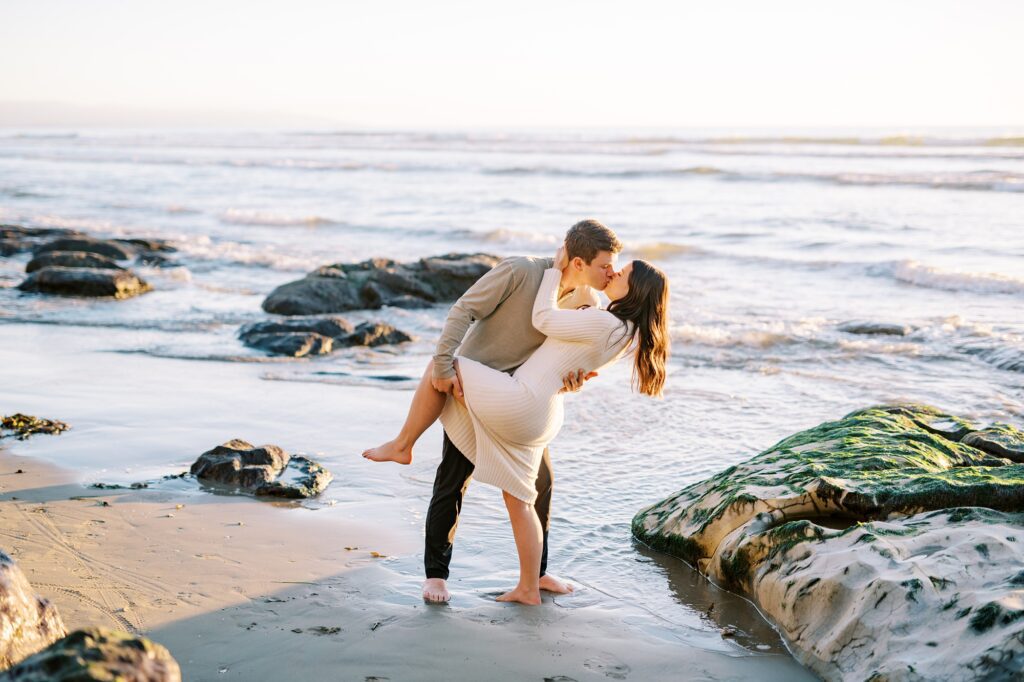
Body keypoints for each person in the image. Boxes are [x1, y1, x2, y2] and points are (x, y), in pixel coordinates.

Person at [363, 219, 625, 603]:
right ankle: (436, 575)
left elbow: (568, 360)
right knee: (453, 478)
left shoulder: (589, 303)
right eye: (605, 265)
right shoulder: (521, 271)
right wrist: (442, 365)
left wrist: (575, 380)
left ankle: (537, 574)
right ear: (579, 262)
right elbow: (464, 309)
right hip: (472, 385)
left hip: (520, 400)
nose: (612, 273)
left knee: (542, 483)